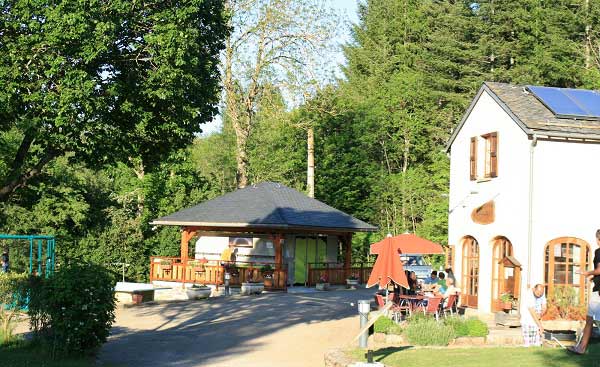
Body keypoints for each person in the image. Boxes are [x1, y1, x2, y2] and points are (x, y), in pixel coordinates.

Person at [568, 229, 600, 355]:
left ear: (598, 239)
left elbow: (599, 270)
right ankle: (581, 348)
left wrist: (587, 272)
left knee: (592, 320)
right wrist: (594, 277)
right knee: (590, 319)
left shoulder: (599, 251)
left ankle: (581, 348)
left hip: (598, 293)